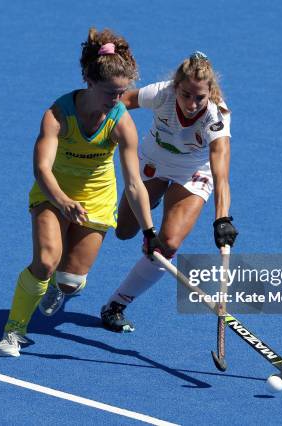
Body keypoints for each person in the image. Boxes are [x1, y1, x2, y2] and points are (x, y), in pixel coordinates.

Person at [0, 28, 163, 357]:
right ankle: (14, 331)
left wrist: (150, 231)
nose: (116, 101)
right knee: (45, 261)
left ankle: (59, 286)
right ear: (89, 79)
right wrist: (62, 201)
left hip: (96, 200)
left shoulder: (121, 122)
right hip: (53, 193)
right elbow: (42, 169)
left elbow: (132, 183)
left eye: (121, 93)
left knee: (71, 280)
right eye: (110, 93)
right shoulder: (57, 115)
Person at [99, 51, 239, 332]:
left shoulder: (216, 117)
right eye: (186, 95)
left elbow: (221, 176)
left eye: (199, 97)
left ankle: (116, 304)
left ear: (209, 92)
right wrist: (105, 133)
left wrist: (222, 219)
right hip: (152, 164)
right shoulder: (161, 94)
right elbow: (122, 102)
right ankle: (156, 195)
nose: (191, 103)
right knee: (124, 231)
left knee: (167, 246)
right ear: (176, 87)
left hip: (192, 174)